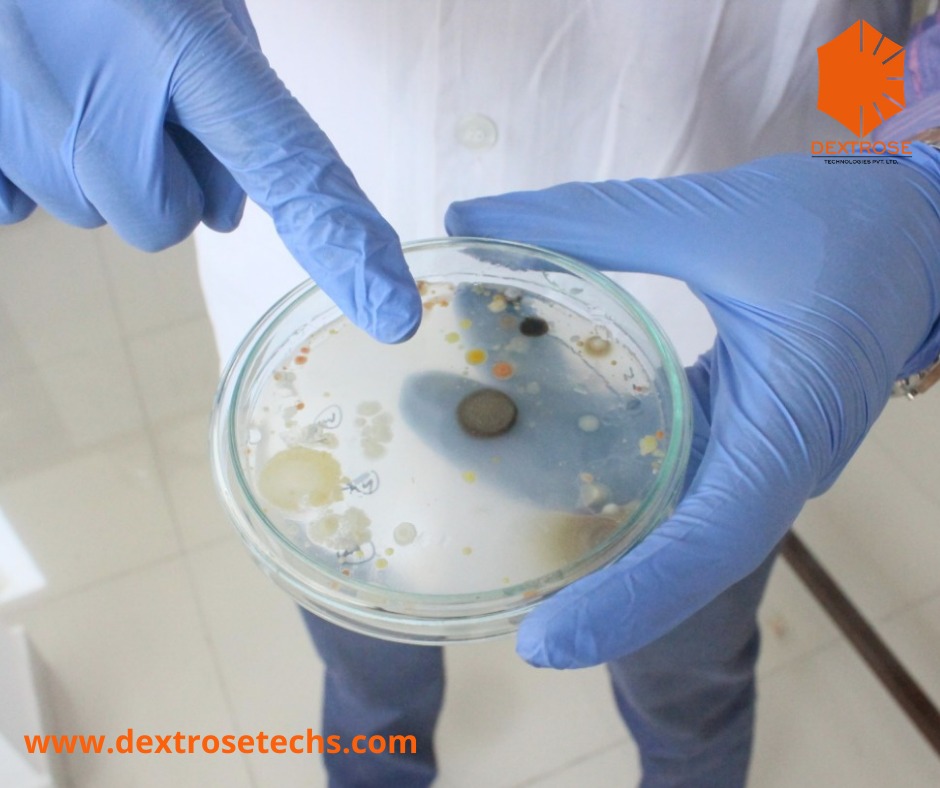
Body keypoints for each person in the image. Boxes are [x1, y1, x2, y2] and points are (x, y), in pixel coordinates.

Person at [3, 1, 940, 785]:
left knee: (690, 688)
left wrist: (916, 168)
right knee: (370, 683)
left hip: (706, 343)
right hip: (323, 357)